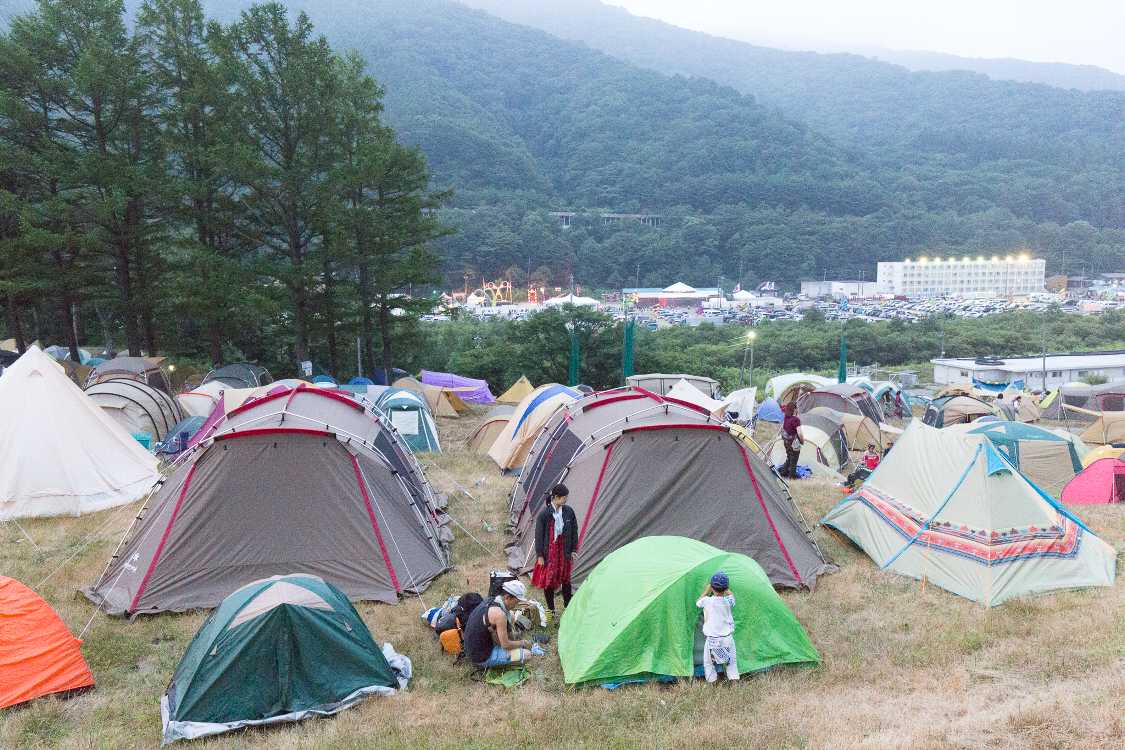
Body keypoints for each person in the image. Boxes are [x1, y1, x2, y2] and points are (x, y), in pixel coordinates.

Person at [462, 579, 540, 670]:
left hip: (472, 649)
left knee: (510, 619)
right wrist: (523, 643)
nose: (517, 604)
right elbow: (505, 645)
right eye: (517, 601)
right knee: (527, 655)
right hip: (481, 658)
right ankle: (495, 664)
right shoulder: (499, 615)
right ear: (507, 597)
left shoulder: (492, 600)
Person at [531, 484, 578, 614]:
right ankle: (551, 610)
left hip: (564, 551)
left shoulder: (569, 512)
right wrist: (540, 555)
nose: (566, 500)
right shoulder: (545, 515)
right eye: (564, 498)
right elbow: (538, 536)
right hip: (549, 554)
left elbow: (574, 530)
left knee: (566, 579)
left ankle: (568, 607)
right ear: (556, 497)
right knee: (549, 582)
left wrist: (574, 549)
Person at [696, 572, 739, 683]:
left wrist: (707, 590)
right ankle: (734, 681)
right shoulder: (729, 601)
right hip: (727, 638)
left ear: (712, 587)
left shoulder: (706, 601)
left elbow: (698, 602)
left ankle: (712, 681)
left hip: (712, 640)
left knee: (709, 663)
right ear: (726, 588)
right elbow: (731, 596)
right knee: (731, 662)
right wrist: (727, 589)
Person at [779, 403, 802, 478]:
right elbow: (799, 432)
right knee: (794, 460)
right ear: (794, 409)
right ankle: (792, 477)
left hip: (786, 442)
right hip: (793, 443)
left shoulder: (786, 417)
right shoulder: (796, 420)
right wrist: (802, 441)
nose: (798, 409)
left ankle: (783, 472)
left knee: (789, 457)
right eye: (797, 408)